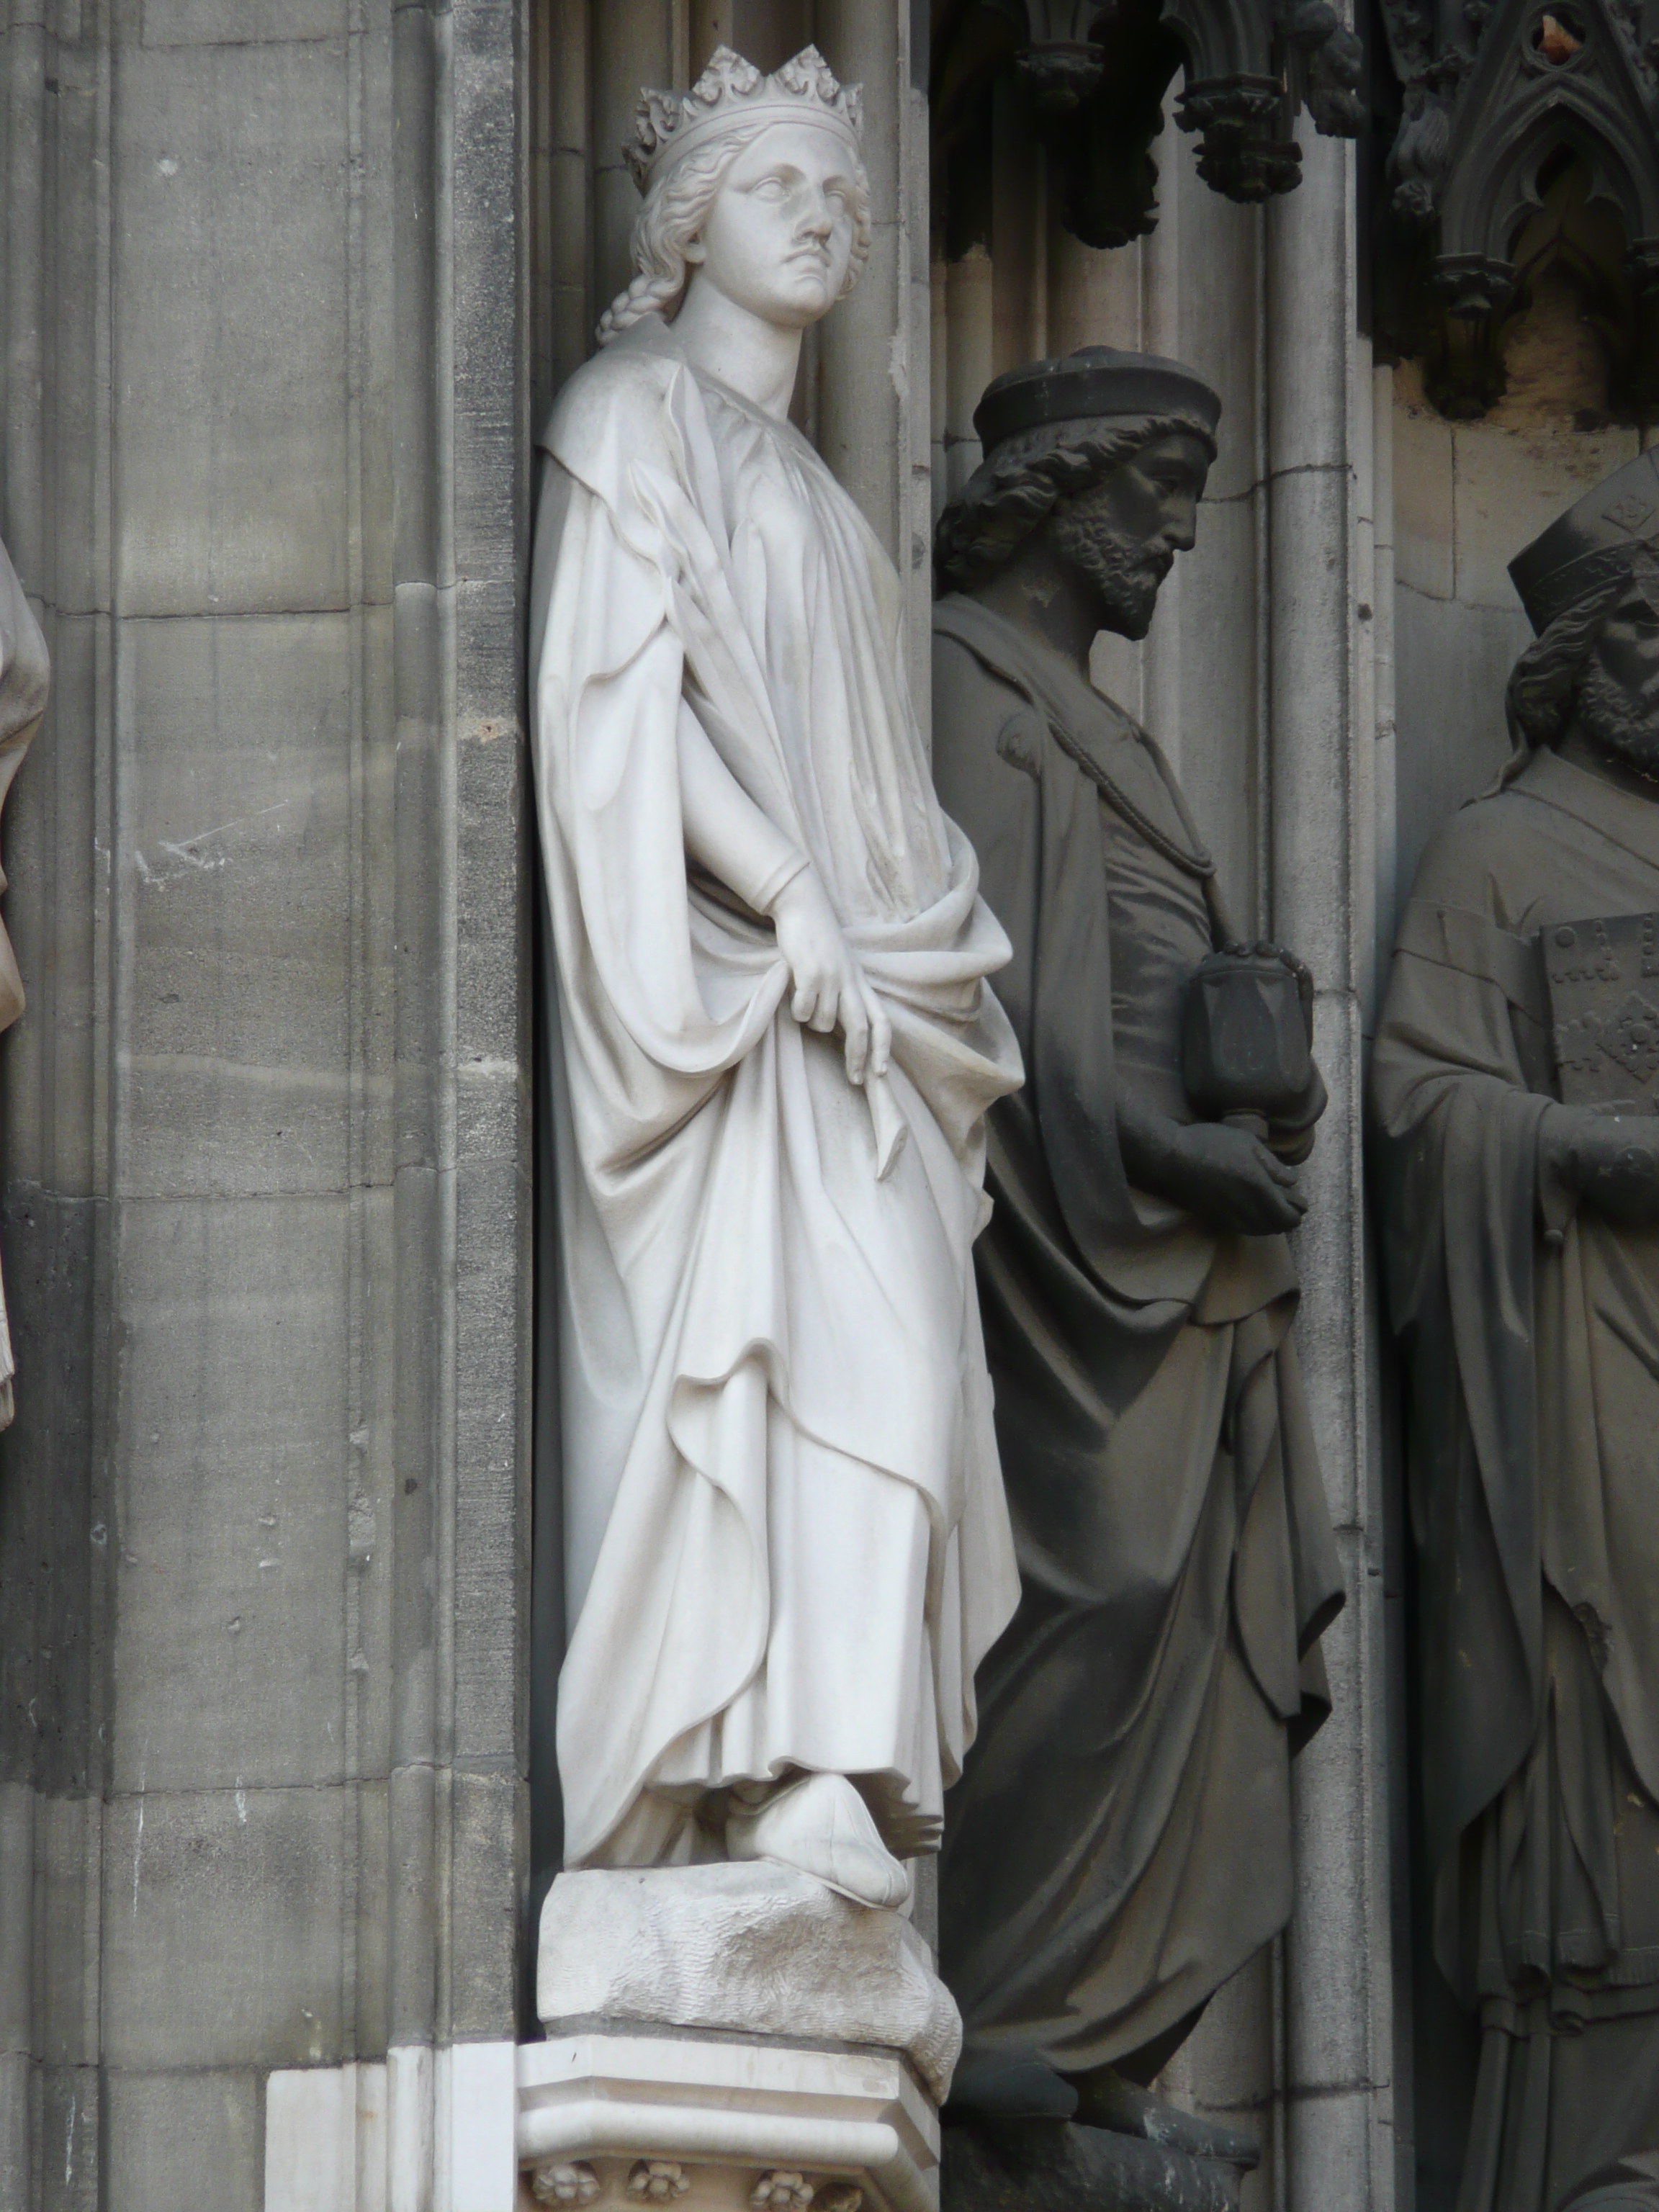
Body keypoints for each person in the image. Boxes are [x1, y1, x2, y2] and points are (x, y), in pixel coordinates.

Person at [528, 46, 1023, 1913]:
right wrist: (788, 891)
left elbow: (850, 762)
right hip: (740, 1011)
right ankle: (767, 1765)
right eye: (778, 186)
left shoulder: (816, 494)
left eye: (842, 194)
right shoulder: (626, 418)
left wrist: (893, 917)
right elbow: (613, 708)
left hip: (867, 1009)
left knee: (894, 1366)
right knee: (800, 1367)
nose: (820, 214)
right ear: (686, 224)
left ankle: (842, 1750)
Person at [928, 347, 1343, 2146]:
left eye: (1191, 502)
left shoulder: (1099, 715)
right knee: (1082, 1593)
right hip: (1064, 1246)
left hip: (1175, 1235)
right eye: (1148, 497)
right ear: (1053, 494)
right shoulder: (964, 676)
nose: (1177, 535)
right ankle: (996, 2008)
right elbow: (993, 982)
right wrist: (1160, 1142)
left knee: (1180, 1617)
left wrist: (1249, 1107)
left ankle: (1100, 2040)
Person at [1374, 451, 1659, 2208]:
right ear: (1591, 659)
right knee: (1615, 1760)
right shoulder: (1495, 858)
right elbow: (1418, 1106)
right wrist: (1575, 1142)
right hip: (1582, 1369)